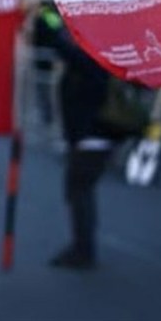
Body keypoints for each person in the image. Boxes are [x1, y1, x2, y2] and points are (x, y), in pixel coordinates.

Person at [47, 22, 124, 270]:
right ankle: (82, 246)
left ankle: (83, 249)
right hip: (90, 139)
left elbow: (62, 47)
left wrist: (45, 21)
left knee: (79, 193)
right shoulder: (95, 60)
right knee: (81, 193)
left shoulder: (91, 61)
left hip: (90, 139)